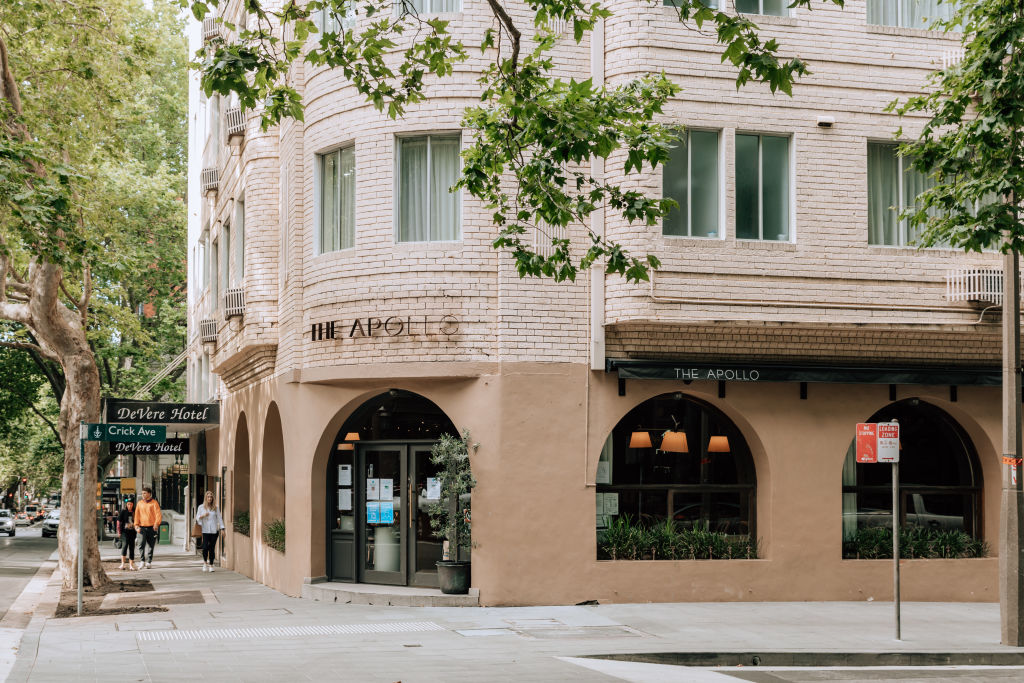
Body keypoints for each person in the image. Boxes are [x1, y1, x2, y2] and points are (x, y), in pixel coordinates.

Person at [195, 491, 224, 572]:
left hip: (214, 531)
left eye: (211, 497)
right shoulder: (201, 507)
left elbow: (219, 518)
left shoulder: (216, 507)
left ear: (213, 498)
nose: (210, 498)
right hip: (205, 530)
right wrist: (203, 515)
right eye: (208, 497)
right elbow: (197, 518)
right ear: (206, 498)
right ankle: (205, 563)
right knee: (205, 547)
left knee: (212, 548)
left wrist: (222, 528)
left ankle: (211, 565)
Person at [134, 486, 162, 569]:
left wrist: (156, 524)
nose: (143, 494)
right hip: (141, 527)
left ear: (149, 494)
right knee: (141, 544)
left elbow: (158, 514)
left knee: (151, 545)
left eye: (144, 493)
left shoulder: (154, 503)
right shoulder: (139, 503)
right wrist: (136, 525)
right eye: (142, 493)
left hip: (152, 527)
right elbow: (137, 515)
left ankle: (149, 561)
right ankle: (142, 561)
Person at [118, 499, 137, 571]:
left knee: (132, 548)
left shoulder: (135, 512)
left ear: (133, 504)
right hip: (124, 532)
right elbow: (118, 522)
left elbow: (137, 521)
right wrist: (119, 532)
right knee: (125, 546)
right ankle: (122, 564)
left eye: (131, 504)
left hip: (132, 533)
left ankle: (131, 565)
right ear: (126, 505)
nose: (129, 505)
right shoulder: (123, 511)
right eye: (128, 504)